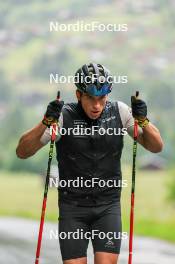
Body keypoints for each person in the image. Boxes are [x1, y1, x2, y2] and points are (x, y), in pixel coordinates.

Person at [16, 63, 163, 264]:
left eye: (101, 98)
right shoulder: (63, 118)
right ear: (78, 95)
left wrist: (144, 121)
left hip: (107, 206)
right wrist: (45, 121)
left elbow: (156, 147)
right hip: (73, 208)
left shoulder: (120, 111)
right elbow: (23, 151)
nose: (97, 106)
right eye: (90, 99)